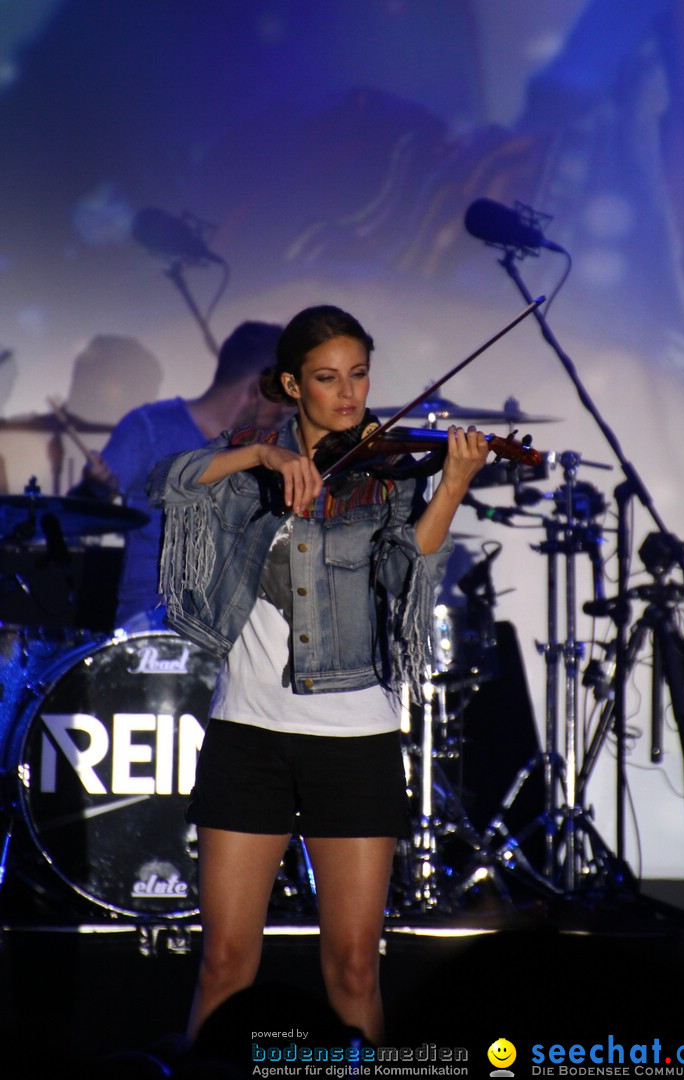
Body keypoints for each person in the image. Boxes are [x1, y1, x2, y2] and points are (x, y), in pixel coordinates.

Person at [146, 304, 489, 1044]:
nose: (348, 394)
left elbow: (404, 570)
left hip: (354, 739)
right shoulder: (247, 461)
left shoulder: (388, 469)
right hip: (249, 733)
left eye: (359, 375)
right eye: (328, 378)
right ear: (292, 385)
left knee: (354, 969)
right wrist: (264, 459)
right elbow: (166, 483)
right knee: (226, 961)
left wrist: (453, 485)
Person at [71, 321, 285, 627]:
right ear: (255, 390)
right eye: (284, 397)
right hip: (154, 624)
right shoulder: (148, 428)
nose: (289, 409)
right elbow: (78, 515)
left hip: (236, 631)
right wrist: (95, 490)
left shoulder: (273, 448)